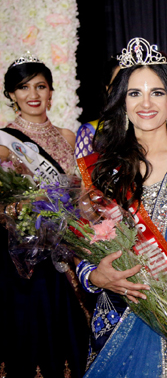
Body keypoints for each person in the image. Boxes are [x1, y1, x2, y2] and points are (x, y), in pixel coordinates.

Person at [76, 37, 167, 377]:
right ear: (121, 100)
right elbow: (77, 243)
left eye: (157, 92)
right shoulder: (101, 167)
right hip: (118, 309)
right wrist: (92, 275)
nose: (145, 103)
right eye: (135, 93)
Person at [0, 53, 89, 377]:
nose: (33, 94)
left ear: (51, 91)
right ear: (12, 94)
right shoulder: (4, 142)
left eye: (40, 86)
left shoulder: (67, 136)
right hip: (28, 259)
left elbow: (81, 192)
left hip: (70, 249)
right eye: (23, 87)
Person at [74, 57, 120, 159]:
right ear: (108, 89)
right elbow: (82, 169)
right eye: (119, 83)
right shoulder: (91, 132)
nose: (125, 89)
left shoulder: (151, 128)